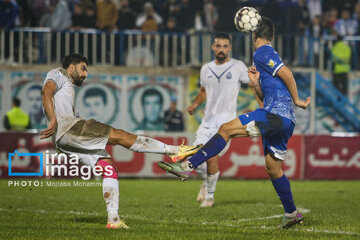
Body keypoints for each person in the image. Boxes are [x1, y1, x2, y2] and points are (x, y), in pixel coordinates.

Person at [159, 17, 311, 229]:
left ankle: (187, 165)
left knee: (225, 129)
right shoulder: (265, 58)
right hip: (285, 120)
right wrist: (257, 83)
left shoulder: (262, 52)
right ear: (273, 35)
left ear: (254, 35)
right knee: (272, 168)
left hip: (276, 115)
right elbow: (268, 91)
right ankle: (291, 213)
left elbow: (287, 73)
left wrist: (297, 100)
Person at [40, 53, 201, 229]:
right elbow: (46, 91)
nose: (85, 74)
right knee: (121, 136)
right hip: (70, 129)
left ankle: (113, 220)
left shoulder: (67, 88)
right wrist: (53, 119)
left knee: (108, 168)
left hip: (62, 140)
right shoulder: (59, 73)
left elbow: (58, 102)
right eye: (83, 68)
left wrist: (65, 118)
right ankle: (175, 151)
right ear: (71, 67)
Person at [185, 32, 252, 208]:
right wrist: (194, 105)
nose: (221, 49)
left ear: (229, 48)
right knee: (196, 158)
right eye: (218, 46)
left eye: (225, 46)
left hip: (226, 124)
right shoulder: (205, 69)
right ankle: (206, 184)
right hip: (207, 122)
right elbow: (203, 92)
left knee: (211, 157)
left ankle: (210, 198)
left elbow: (252, 83)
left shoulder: (238, 66)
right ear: (213, 47)